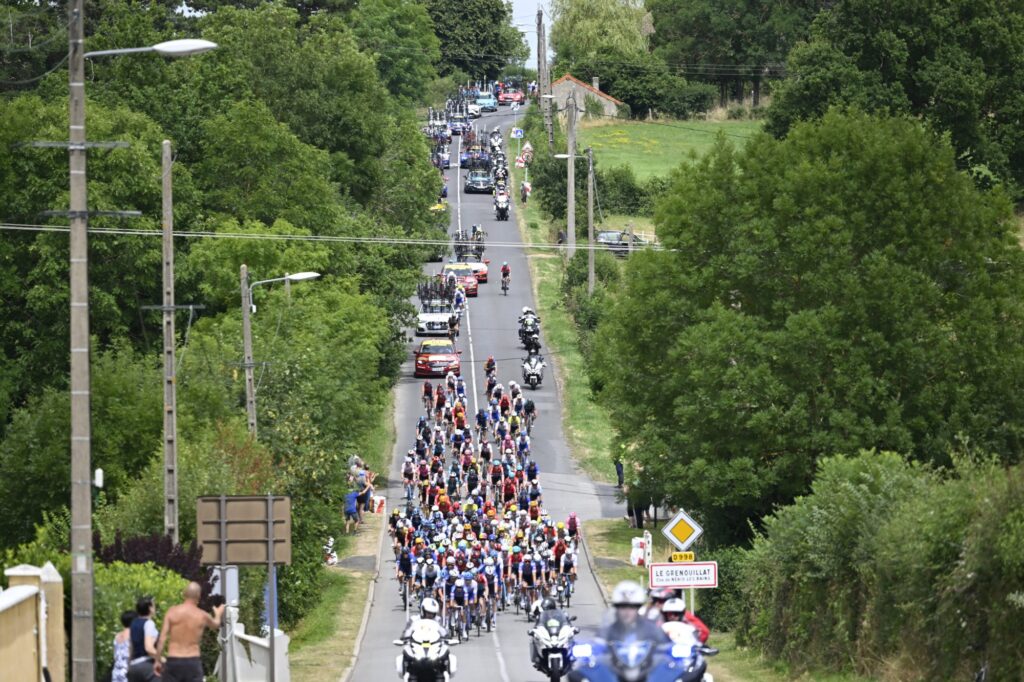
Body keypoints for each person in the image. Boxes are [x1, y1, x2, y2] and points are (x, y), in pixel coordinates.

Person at [153, 582, 226, 682]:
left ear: (184, 594)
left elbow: (162, 639)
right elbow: (216, 625)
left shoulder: (172, 612)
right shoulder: (201, 615)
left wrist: (157, 660)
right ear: (198, 596)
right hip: (192, 661)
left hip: (174, 660)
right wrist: (218, 614)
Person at [601, 580, 671, 644]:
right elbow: (597, 645)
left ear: (638, 608)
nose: (627, 611)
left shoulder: (651, 629)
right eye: (622, 606)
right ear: (616, 608)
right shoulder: (608, 631)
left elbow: (666, 645)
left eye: (632, 607)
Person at [126, 597, 159, 682]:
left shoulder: (133, 623)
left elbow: (131, 647)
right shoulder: (149, 623)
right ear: (150, 608)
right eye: (154, 606)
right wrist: (163, 659)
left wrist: (128, 665)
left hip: (133, 666)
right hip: (146, 665)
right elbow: (148, 648)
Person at [112, 610, 136, 682]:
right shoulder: (133, 635)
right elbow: (131, 653)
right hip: (127, 670)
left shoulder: (117, 636)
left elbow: (114, 655)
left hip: (116, 670)